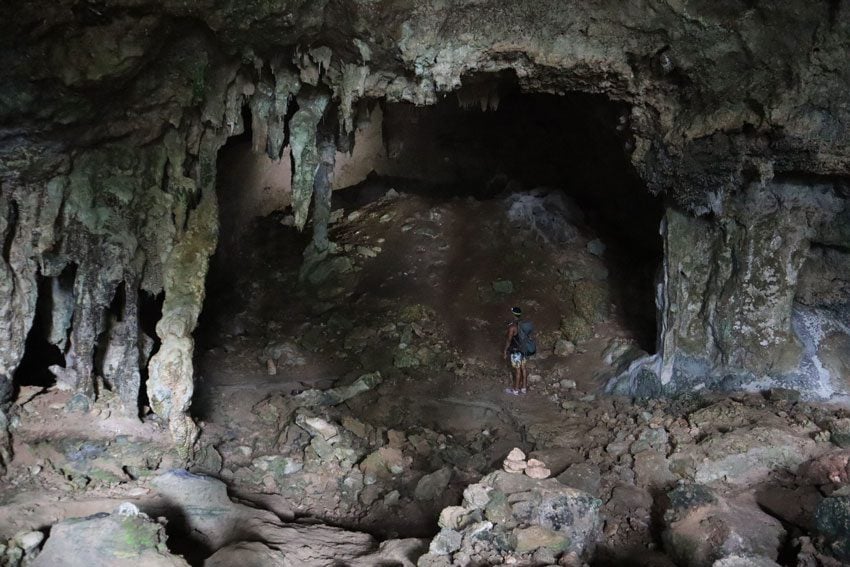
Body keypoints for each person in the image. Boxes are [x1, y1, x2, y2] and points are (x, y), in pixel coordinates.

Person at [503, 306, 528, 395]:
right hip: (524, 350)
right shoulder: (524, 325)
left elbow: (509, 340)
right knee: (523, 369)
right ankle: (524, 388)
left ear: (513, 315)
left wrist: (505, 351)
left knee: (517, 371)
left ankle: (515, 390)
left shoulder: (512, 327)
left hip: (516, 351)